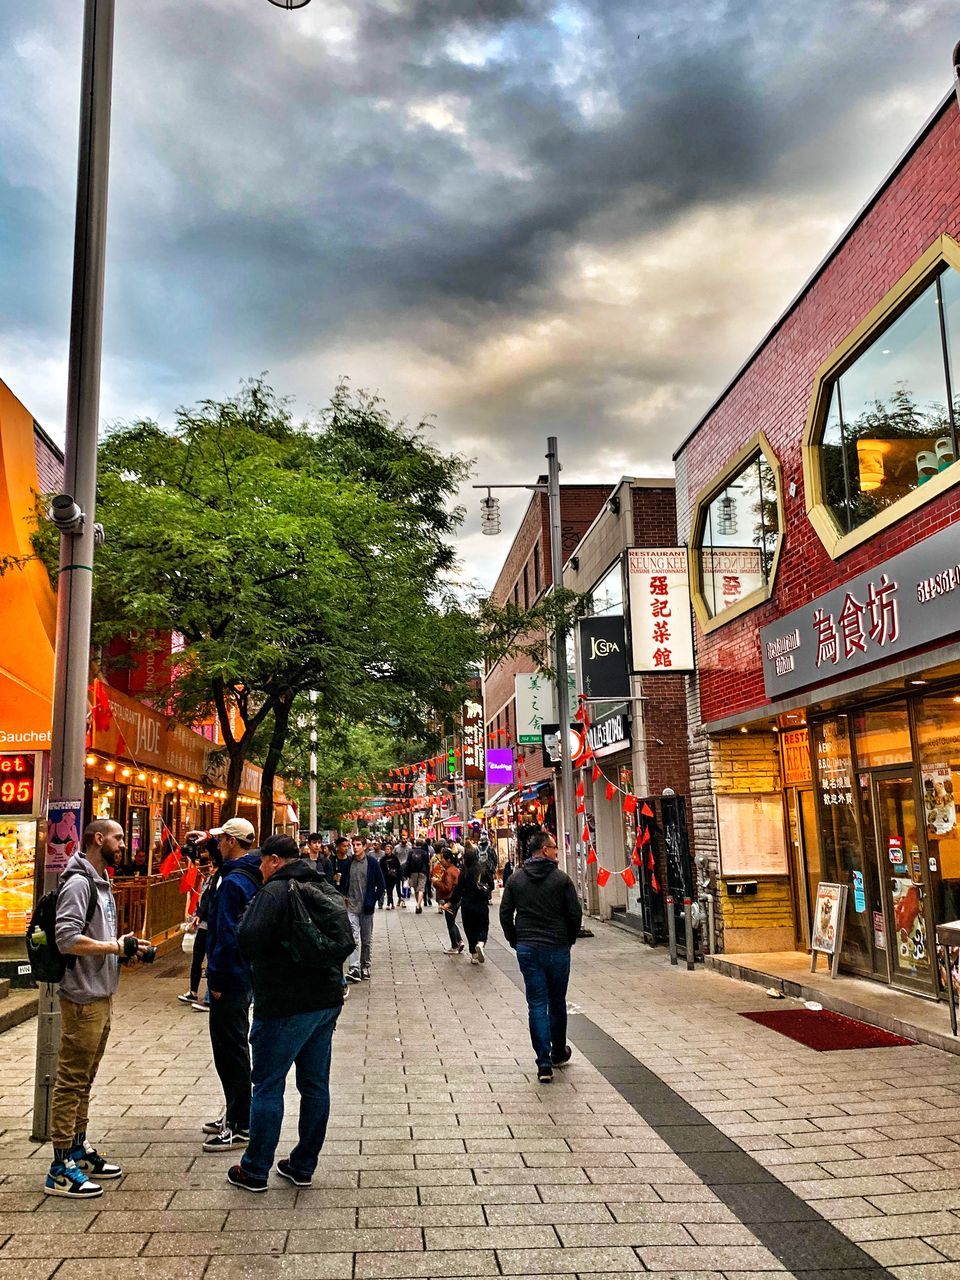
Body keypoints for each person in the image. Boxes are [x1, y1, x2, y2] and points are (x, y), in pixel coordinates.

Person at [226, 835, 350, 1191]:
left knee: (267, 1085)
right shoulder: (321, 882)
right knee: (314, 1086)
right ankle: (303, 1164)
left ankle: (254, 1168)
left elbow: (247, 937)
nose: (260, 869)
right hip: (325, 1000)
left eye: (263, 862)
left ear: (275, 860)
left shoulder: (275, 891)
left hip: (283, 1003)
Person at [45, 819, 150, 1197]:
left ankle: (78, 1146)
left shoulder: (103, 883)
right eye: (119, 838)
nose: (124, 844)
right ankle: (59, 1167)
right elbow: (67, 939)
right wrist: (115, 948)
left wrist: (125, 953)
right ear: (98, 839)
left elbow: (101, 939)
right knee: (71, 1081)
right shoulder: (79, 883)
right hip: (82, 997)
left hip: (101, 994)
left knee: (85, 1079)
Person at [499, 829, 582, 1083]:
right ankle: (558, 1052)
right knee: (557, 1001)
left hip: (528, 948)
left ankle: (543, 1063)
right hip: (556, 947)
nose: (557, 850)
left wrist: (516, 940)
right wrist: (568, 939)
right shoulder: (561, 880)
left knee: (536, 1003)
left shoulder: (516, 880)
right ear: (544, 850)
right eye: (554, 846)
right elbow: (574, 915)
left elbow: (505, 914)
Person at [201, 817, 262, 1151]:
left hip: (231, 976)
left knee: (230, 1048)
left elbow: (226, 933)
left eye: (222, 839)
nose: (219, 844)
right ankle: (236, 1112)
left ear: (232, 842)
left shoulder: (233, 882)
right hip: (245, 972)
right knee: (232, 1045)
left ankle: (240, 1123)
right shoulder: (251, 874)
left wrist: (218, 977)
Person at [340, 835, 385, 982]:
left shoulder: (372, 863)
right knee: (353, 938)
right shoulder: (348, 864)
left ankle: (365, 965)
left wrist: (373, 900)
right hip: (352, 907)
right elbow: (343, 883)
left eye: (358, 844)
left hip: (366, 907)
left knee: (366, 940)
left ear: (365, 846)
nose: (355, 847)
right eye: (353, 845)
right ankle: (354, 967)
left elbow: (381, 884)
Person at [447, 848, 493, 964]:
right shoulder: (483, 871)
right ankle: (481, 943)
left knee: (470, 928)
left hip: (467, 905)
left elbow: (458, 891)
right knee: (483, 925)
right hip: (481, 904)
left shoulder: (464, 874)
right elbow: (491, 885)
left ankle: (473, 954)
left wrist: (450, 902)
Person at [432, 847, 464, 955]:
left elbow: (447, 887)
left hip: (450, 899)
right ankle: (459, 941)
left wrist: (436, 882)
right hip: (456, 899)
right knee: (452, 921)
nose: (441, 861)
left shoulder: (449, 872)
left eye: (443, 859)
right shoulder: (455, 869)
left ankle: (454, 945)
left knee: (450, 923)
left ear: (449, 860)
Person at [405, 840, 430, 914]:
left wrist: (407, 874)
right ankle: (418, 905)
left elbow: (408, 863)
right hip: (422, 872)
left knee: (416, 889)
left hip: (413, 872)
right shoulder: (424, 852)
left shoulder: (411, 852)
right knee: (421, 889)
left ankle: (418, 904)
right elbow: (427, 863)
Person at [380, 841, 401, 909]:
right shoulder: (383, 859)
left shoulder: (395, 858)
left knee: (390, 890)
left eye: (388, 849)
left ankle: (389, 904)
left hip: (393, 877)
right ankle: (391, 903)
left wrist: (396, 873)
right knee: (389, 890)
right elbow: (381, 867)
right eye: (386, 849)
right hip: (385, 876)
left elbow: (398, 866)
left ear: (391, 850)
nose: (387, 851)